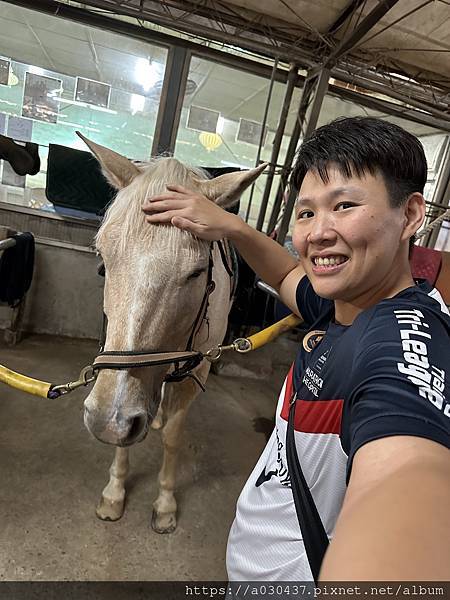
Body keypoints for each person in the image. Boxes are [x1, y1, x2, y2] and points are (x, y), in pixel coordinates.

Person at [143, 117, 450, 581]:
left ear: (409, 215)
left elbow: (407, 479)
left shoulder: (403, 340)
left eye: (344, 205)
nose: (317, 233)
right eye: (306, 213)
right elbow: (288, 276)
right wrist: (231, 226)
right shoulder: (343, 300)